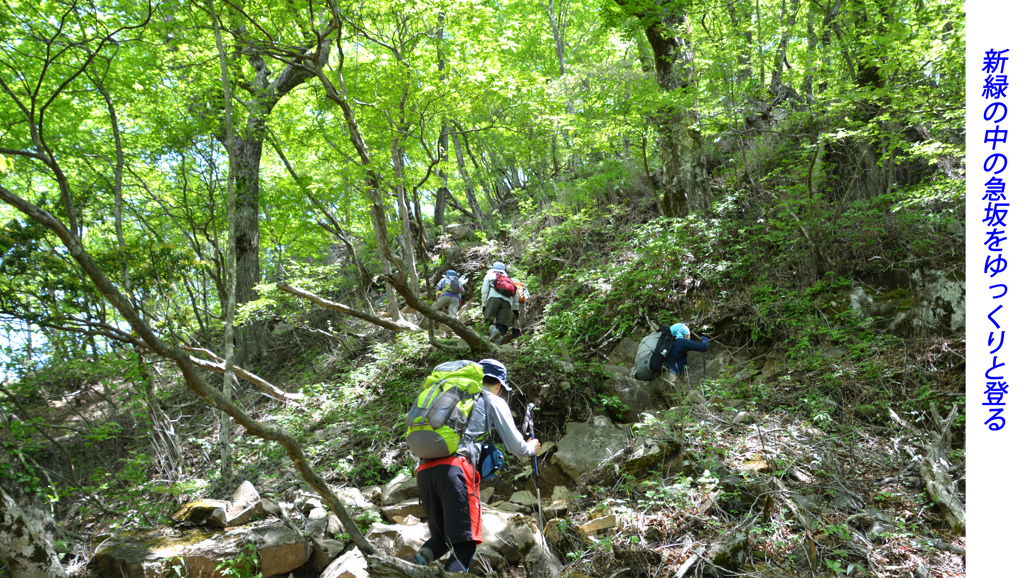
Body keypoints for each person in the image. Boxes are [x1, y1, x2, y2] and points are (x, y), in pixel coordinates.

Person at [407, 359, 540, 571]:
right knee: (465, 543)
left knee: (442, 538)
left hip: (424, 470)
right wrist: (531, 447)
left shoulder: (453, 395)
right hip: (455, 471)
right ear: (498, 385)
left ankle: (407, 569)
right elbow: (517, 447)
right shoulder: (491, 399)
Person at [480, 262, 515, 345]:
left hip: (494, 298)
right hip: (507, 301)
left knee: (488, 320)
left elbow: (484, 291)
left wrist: (484, 305)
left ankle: (494, 331)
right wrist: (514, 307)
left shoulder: (489, 276)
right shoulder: (508, 278)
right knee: (502, 324)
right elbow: (514, 294)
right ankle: (497, 344)